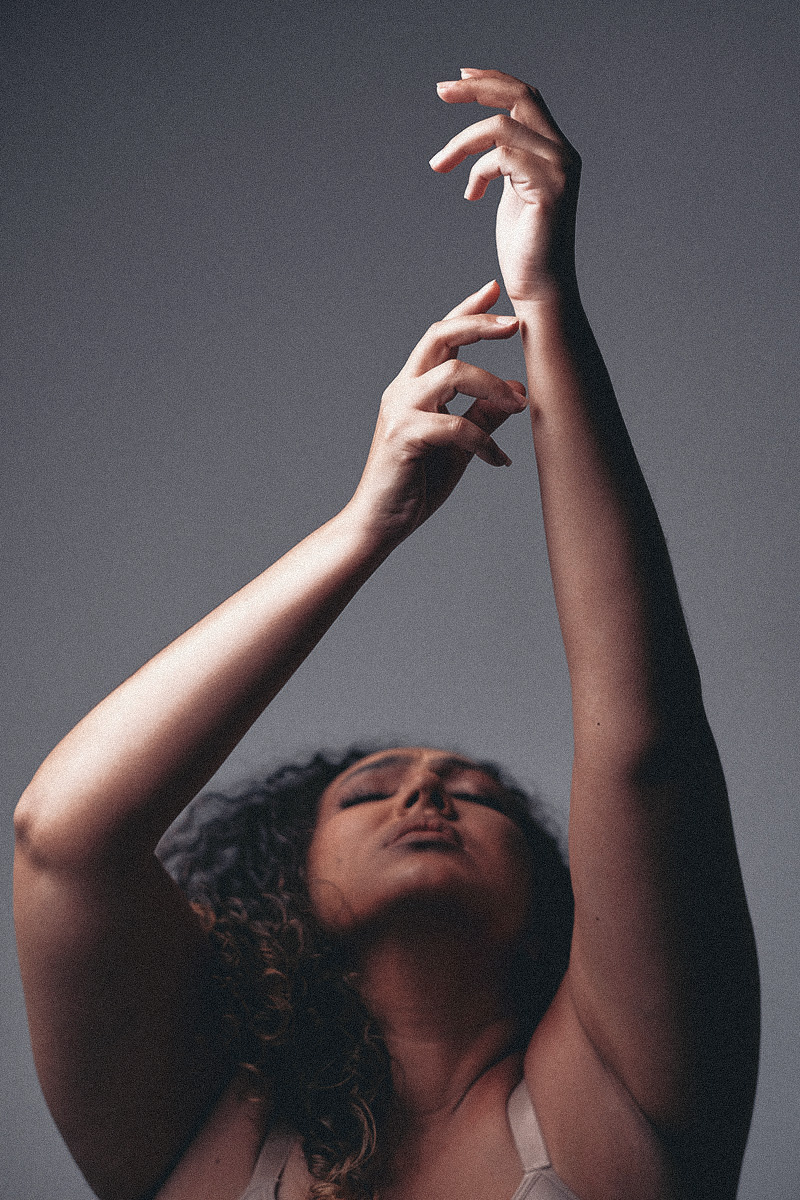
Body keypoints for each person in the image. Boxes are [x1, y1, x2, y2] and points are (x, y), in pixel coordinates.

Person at [13, 68, 759, 1200]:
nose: (424, 795)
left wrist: (543, 301)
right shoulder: (196, 1125)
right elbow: (62, 838)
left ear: (553, 900)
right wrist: (366, 525)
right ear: (285, 884)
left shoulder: (621, 1101)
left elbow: (643, 750)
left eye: (480, 798)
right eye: (367, 792)